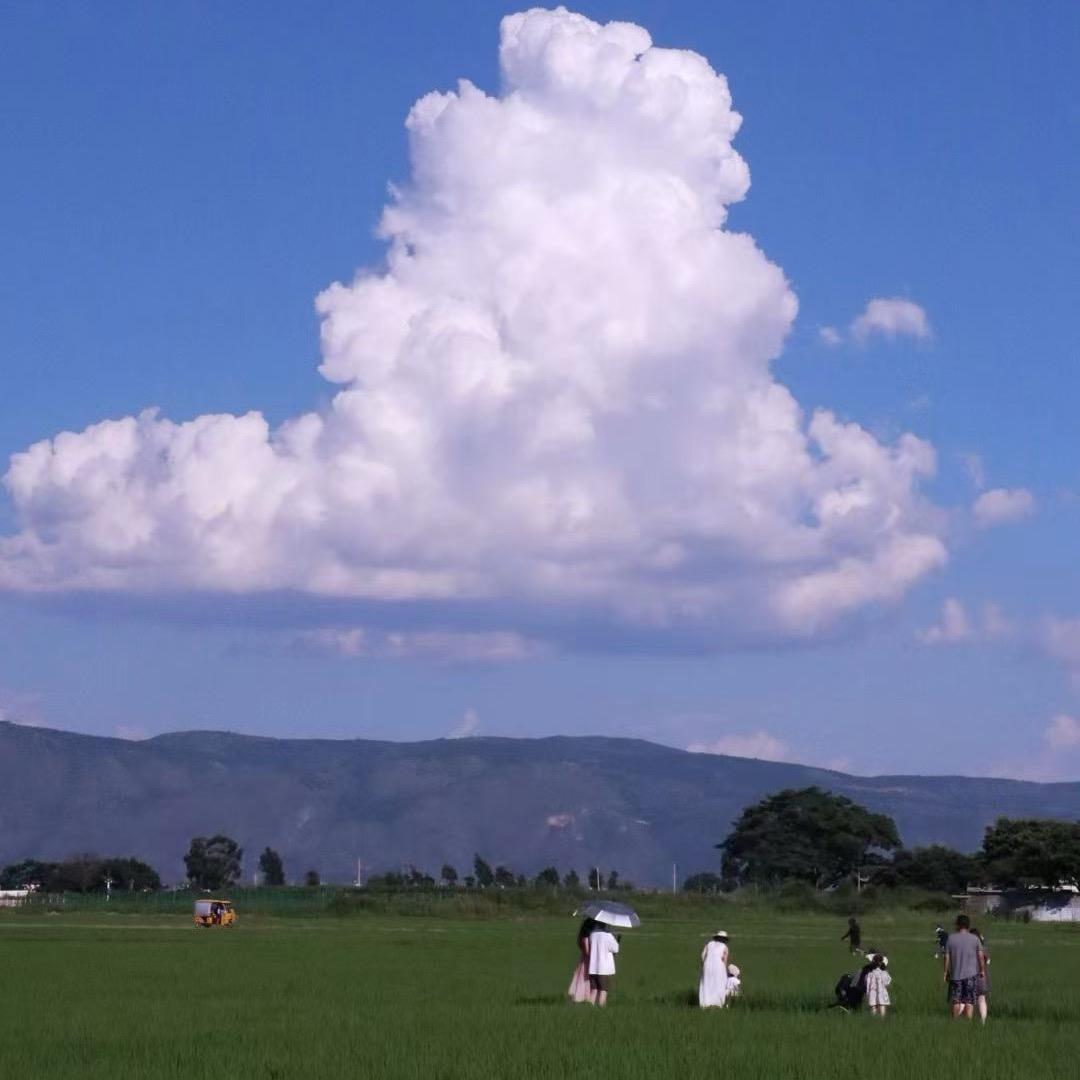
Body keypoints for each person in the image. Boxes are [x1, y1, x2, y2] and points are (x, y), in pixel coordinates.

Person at [944, 913, 986, 1019]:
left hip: (955, 975)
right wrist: (981, 970)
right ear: (968, 925)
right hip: (971, 975)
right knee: (969, 1001)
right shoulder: (975, 939)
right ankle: (968, 1022)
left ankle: (954, 1021)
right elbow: (980, 956)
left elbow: (947, 957)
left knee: (955, 1001)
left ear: (957, 925)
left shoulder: (951, 939)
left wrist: (945, 972)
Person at [587, 922, 620, 1007]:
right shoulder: (608, 936)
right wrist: (615, 939)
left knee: (594, 990)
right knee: (603, 990)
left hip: (592, 968)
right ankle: (601, 1009)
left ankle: (588, 1008)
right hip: (604, 969)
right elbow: (616, 949)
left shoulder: (592, 935)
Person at [699, 931, 733, 1008]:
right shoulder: (724, 947)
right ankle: (717, 1003)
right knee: (719, 983)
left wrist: (704, 964)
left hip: (707, 965)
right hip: (719, 966)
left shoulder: (709, 944)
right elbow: (724, 960)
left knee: (706, 983)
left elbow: (702, 955)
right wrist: (725, 971)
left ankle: (705, 1003)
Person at [567, 918, 595, 1003]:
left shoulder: (582, 937)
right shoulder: (587, 938)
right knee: (585, 979)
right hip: (587, 961)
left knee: (581, 978)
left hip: (583, 960)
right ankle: (582, 997)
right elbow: (587, 952)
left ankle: (580, 997)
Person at [971, 927, 990, 1024]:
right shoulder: (983, 948)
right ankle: (982, 1021)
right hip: (981, 976)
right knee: (981, 999)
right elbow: (988, 961)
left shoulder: (968, 947)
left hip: (969, 976)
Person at [865, 953, 891, 1017]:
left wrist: (867, 993)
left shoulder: (870, 974)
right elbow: (887, 982)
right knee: (882, 1006)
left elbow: (867, 984)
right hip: (882, 992)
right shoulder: (884, 973)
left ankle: (874, 1022)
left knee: (873, 1007)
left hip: (872, 992)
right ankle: (882, 1022)